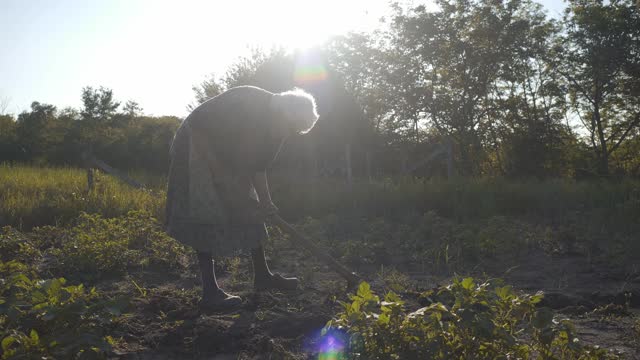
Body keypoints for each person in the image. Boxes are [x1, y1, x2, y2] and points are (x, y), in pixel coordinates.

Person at [165, 85, 319, 309]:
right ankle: (210, 292)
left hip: (225, 154)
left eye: (295, 132)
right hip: (193, 145)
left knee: (251, 205)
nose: (289, 134)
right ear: (283, 114)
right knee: (205, 208)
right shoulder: (246, 100)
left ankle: (263, 276)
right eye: (291, 127)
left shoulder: (276, 134)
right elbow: (197, 126)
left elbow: (258, 168)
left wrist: (265, 202)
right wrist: (217, 173)